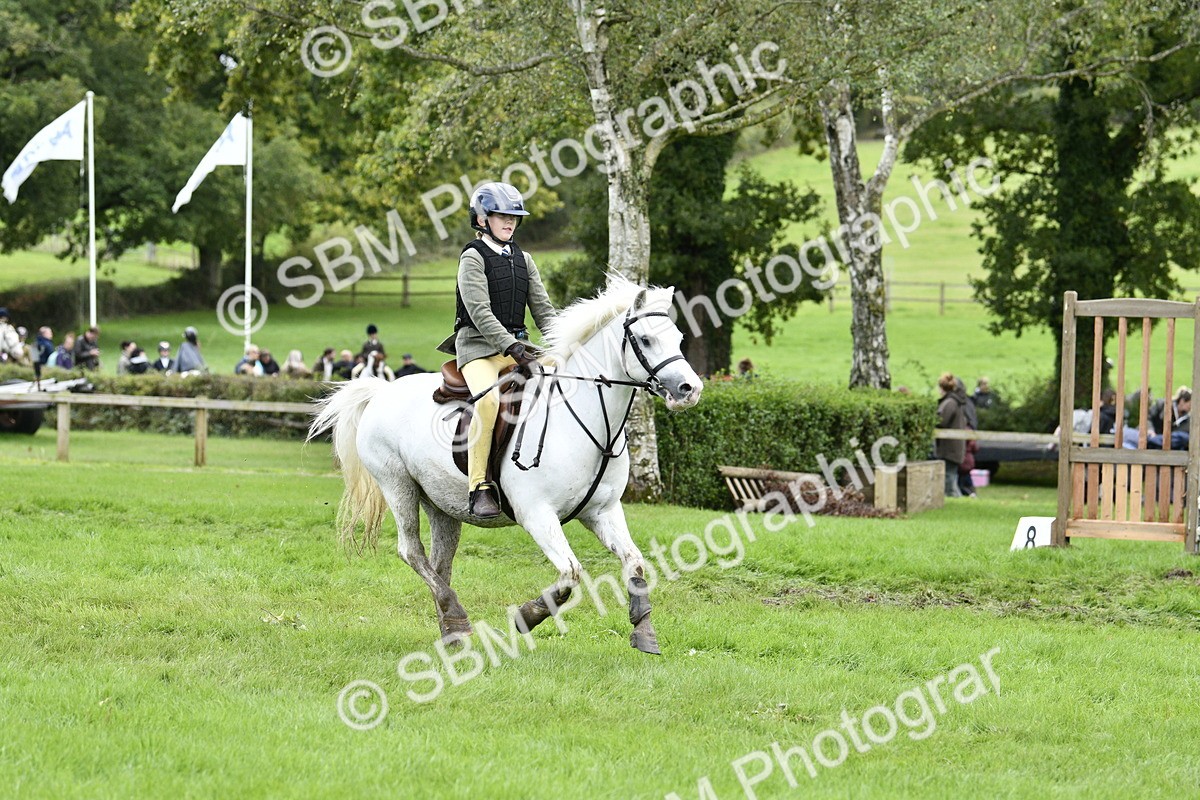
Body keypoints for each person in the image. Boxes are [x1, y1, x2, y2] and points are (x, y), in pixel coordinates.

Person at [436, 181, 557, 518]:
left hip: (519, 346)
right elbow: (480, 312)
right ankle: (478, 486)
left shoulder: (525, 259)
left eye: (514, 218)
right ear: (481, 219)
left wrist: (564, 344)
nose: (509, 223)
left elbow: (544, 310)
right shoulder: (472, 258)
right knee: (488, 402)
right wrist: (512, 345)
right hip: (478, 349)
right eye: (502, 216)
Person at [935, 372, 967, 498]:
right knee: (951, 476)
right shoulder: (954, 401)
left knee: (949, 478)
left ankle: (955, 498)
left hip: (949, 448)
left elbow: (941, 421)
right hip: (954, 446)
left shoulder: (949, 403)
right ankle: (957, 497)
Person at [955, 377, 979, 498]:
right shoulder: (967, 402)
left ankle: (965, 493)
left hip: (964, 443)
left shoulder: (961, 403)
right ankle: (970, 492)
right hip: (968, 442)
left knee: (962, 471)